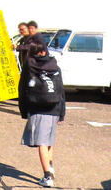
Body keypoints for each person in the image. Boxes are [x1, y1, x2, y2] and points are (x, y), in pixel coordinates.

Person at [18, 43, 65, 188]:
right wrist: (62, 113)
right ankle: (50, 168)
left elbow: (23, 89)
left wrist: (24, 111)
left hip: (39, 108)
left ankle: (47, 177)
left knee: (42, 143)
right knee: (49, 141)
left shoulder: (30, 66)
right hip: (54, 108)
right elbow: (61, 90)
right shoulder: (55, 67)